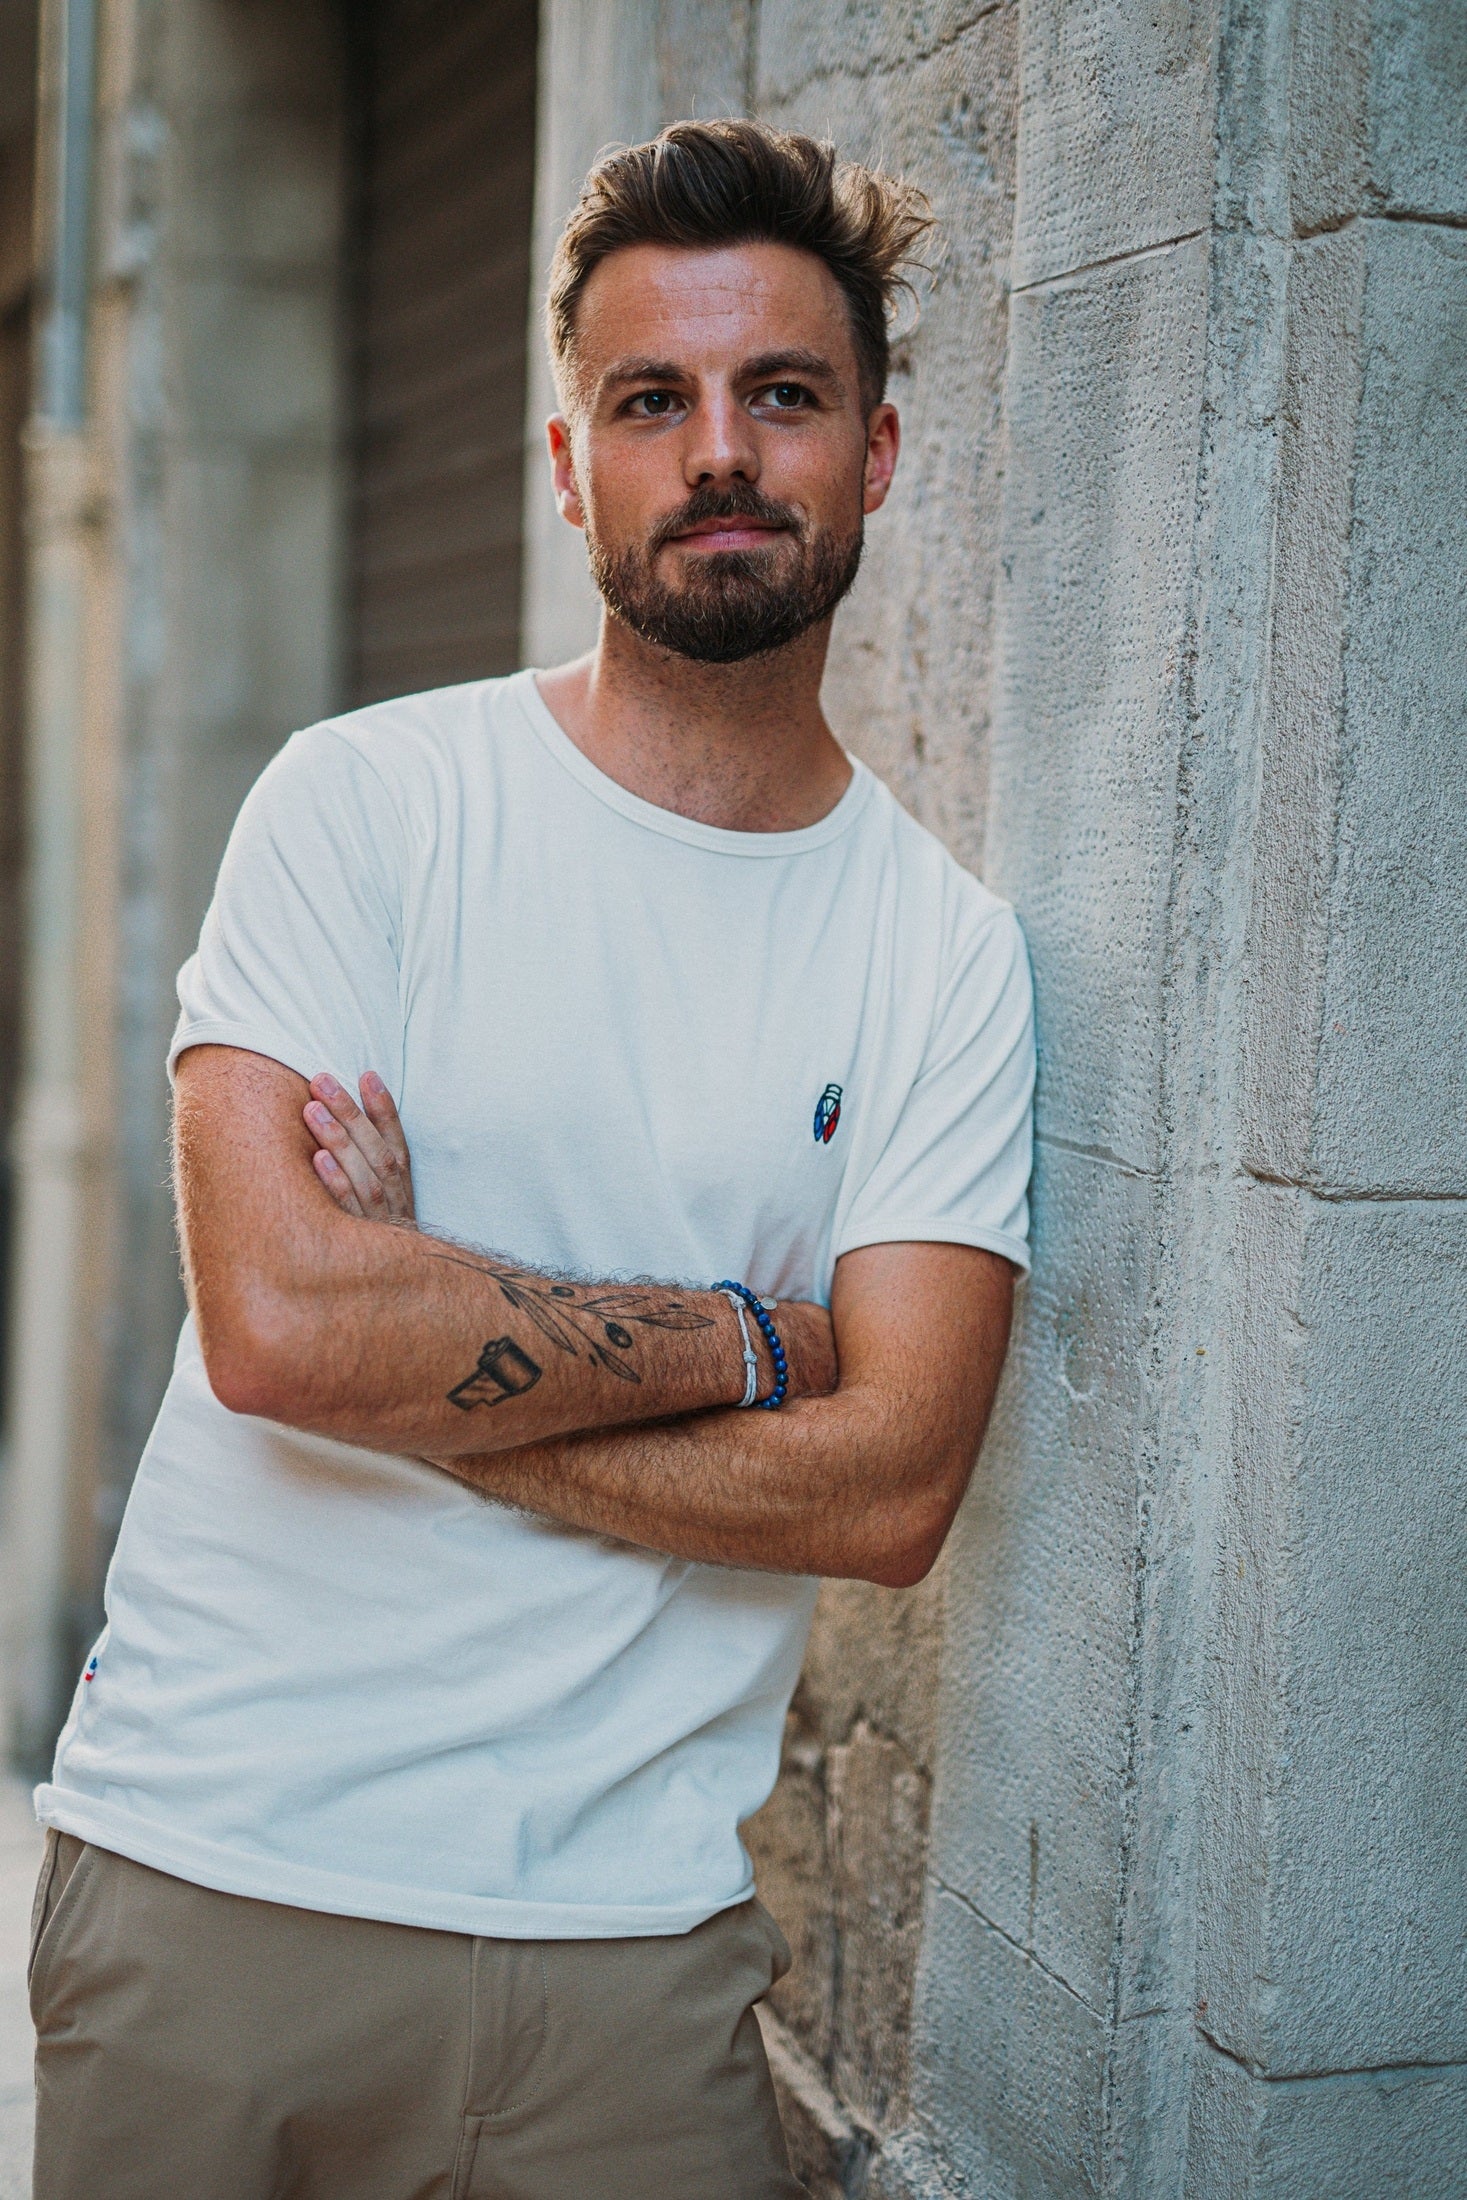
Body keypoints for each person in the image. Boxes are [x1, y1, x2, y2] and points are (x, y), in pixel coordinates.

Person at [28, 119, 1034, 2199]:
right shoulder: (364, 806)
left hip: (629, 1961)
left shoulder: (939, 950)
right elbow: (289, 1321)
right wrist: (758, 1340)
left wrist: (439, 1337)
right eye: (649, 401)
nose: (719, 451)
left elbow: (892, 1485)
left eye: (782, 394)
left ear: (877, 451)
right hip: (229, 1881)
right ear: (570, 464)